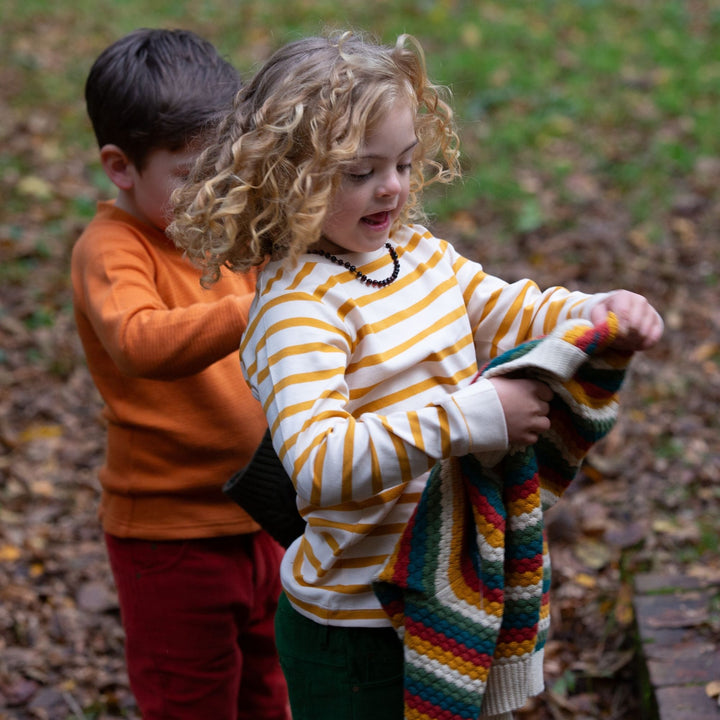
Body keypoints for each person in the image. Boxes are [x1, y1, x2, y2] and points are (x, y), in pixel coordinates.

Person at [170, 31, 663, 720]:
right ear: (286, 176)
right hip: (352, 627)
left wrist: (591, 310)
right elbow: (317, 463)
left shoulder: (418, 256)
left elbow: (508, 307)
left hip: (438, 592)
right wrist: (474, 417)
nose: (393, 187)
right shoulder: (296, 309)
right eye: (359, 171)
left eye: (403, 162)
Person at [71, 28, 289, 720]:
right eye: (195, 175)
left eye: (229, 168)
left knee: (273, 688)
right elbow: (140, 341)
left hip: (267, 512)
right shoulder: (112, 248)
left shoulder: (229, 229)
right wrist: (259, 309)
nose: (218, 191)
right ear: (121, 165)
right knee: (190, 700)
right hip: (169, 538)